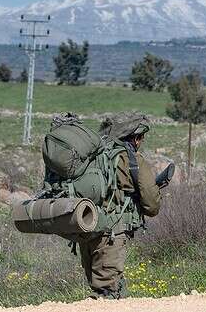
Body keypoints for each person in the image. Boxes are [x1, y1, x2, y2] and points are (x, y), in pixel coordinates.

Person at [78, 113, 161, 299]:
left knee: (99, 285)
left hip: (85, 226)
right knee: (106, 291)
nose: (142, 141)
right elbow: (152, 203)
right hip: (112, 231)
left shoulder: (92, 156)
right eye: (141, 137)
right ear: (135, 138)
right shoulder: (131, 159)